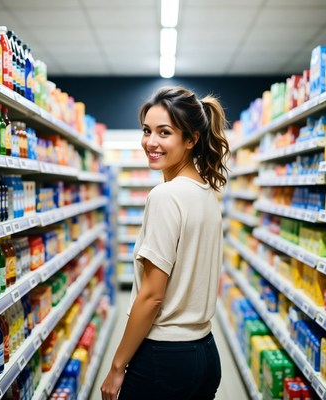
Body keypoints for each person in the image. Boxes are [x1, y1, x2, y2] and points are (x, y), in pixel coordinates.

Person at [101, 86, 230, 400]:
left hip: (164, 358)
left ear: (191, 140)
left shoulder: (166, 196)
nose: (151, 142)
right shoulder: (207, 192)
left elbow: (152, 297)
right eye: (147, 131)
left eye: (164, 132)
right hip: (205, 353)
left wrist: (117, 366)